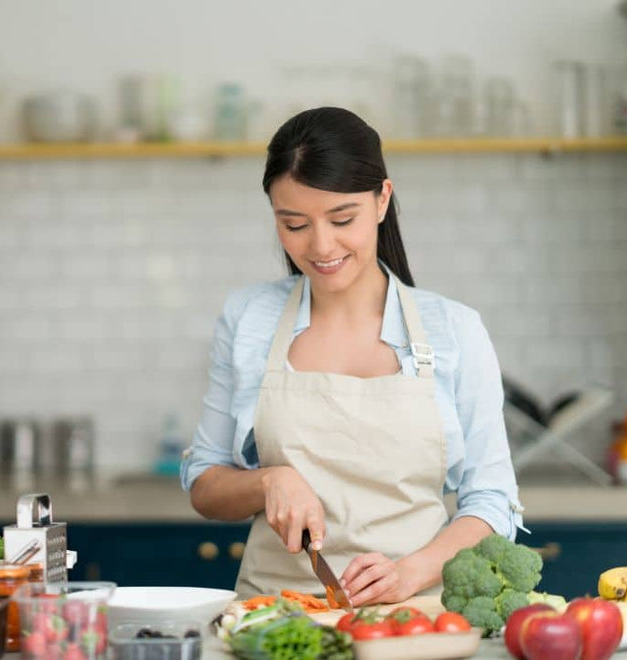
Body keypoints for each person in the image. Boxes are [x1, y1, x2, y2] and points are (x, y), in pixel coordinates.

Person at [180, 107, 525, 605]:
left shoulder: (455, 330)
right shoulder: (249, 318)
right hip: (277, 623)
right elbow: (206, 484)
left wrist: (411, 573)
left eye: (343, 219)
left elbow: (493, 502)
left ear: (382, 199)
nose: (321, 246)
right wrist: (267, 482)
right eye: (294, 223)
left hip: (414, 620)